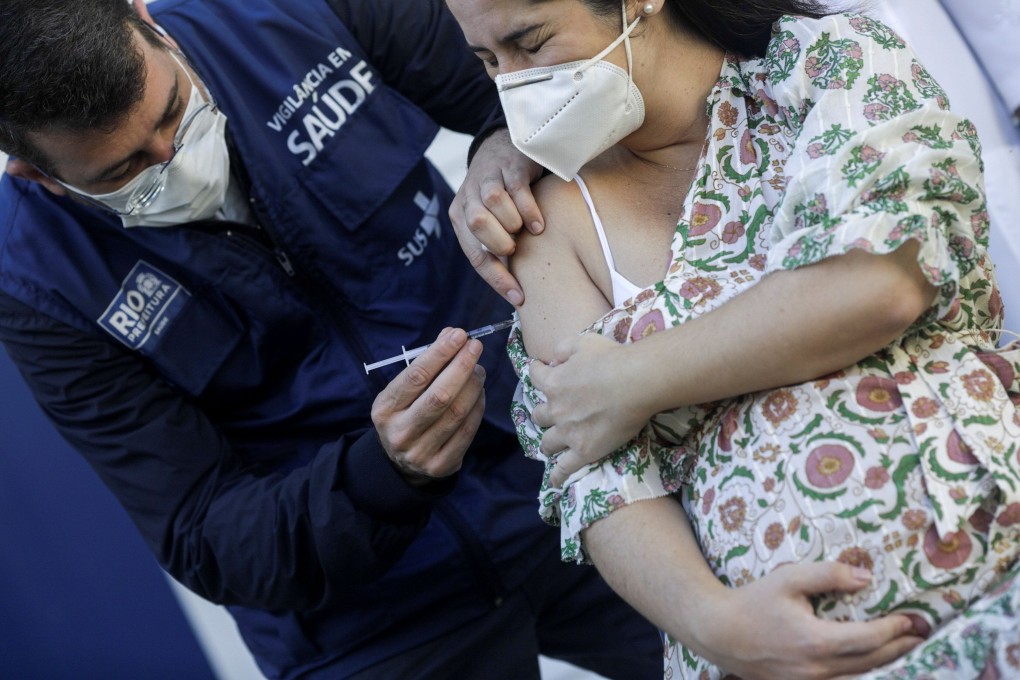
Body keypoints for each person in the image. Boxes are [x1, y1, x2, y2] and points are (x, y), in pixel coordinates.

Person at [0, 1, 666, 678]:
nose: (174, 159)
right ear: (34, 173)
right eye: (124, 172)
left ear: (150, 19)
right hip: (363, 619)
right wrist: (383, 476)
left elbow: (549, 89)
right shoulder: (35, 281)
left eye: (175, 111)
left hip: (558, 463)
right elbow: (202, 531)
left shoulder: (289, 13)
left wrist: (506, 142)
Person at [444, 0, 1020, 677]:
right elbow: (595, 479)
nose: (513, 84)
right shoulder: (548, 223)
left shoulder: (827, 66)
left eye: (529, 43)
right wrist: (717, 627)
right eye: (488, 63)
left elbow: (879, 283)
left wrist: (630, 381)